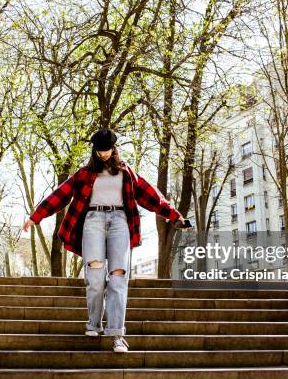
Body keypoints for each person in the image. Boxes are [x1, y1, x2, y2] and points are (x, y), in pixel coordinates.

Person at [21, 128, 186, 353]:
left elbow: (151, 196)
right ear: (95, 150)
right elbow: (60, 194)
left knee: (118, 277)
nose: (104, 155)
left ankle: (117, 334)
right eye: (100, 151)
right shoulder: (85, 173)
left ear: (114, 148)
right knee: (96, 276)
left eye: (107, 150)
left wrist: (175, 215)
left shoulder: (126, 172)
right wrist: (35, 217)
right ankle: (93, 323)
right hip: (93, 221)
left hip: (120, 221)